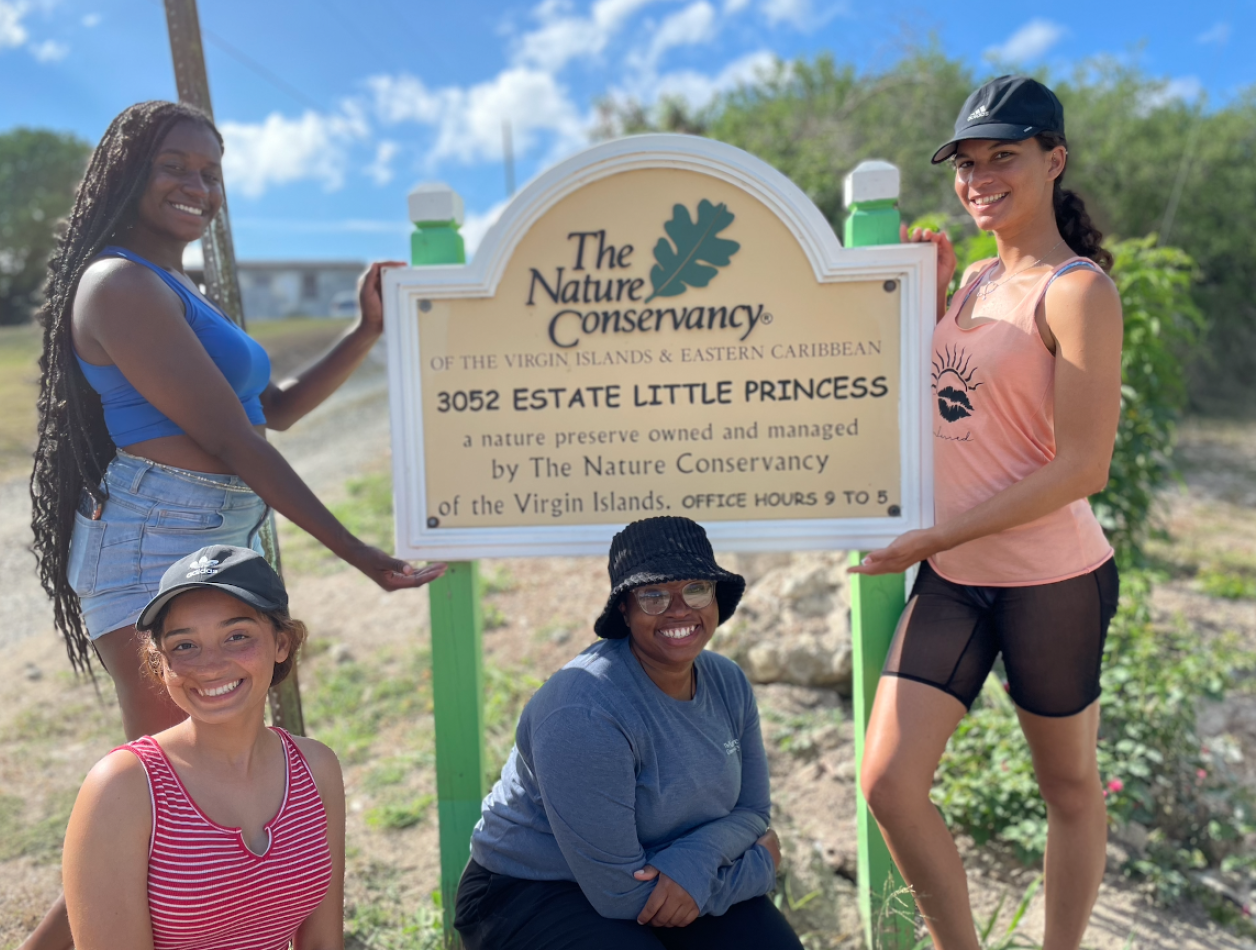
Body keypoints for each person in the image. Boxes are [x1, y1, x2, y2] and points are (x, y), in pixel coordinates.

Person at [25, 100, 440, 950]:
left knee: (211, 779)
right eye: (175, 165)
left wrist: (365, 331)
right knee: (160, 793)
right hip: (150, 543)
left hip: (209, 538)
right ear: (127, 171)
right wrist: (361, 555)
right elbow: (228, 440)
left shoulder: (182, 288)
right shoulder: (119, 284)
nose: (196, 183)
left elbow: (271, 411)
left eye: (210, 172)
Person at [851, 76, 1123, 949]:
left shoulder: (1078, 292)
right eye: (967, 163)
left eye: (1003, 156)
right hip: (958, 577)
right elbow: (953, 405)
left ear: (1055, 159)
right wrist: (921, 292)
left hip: (1052, 580)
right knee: (889, 781)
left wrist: (936, 535)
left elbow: (1085, 467)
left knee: (1070, 791)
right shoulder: (969, 280)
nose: (979, 178)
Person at [455, 516, 803, 950]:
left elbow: (751, 811)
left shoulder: (728, 681)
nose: (680, 609)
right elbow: (621, 894)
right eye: (653, 596)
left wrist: (696, 859)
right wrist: (757, 871)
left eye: (696, 588)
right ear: (625, 609)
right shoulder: (584, 708)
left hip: (672, 866)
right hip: (533, 888)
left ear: (715, 597)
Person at [62, 545, 344, 950]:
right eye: (184, 645)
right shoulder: (123, 789)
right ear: (160, 663)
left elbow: (322, 943)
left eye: (237, 636)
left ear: (282, 643)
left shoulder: (316, 768)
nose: (210, 665)